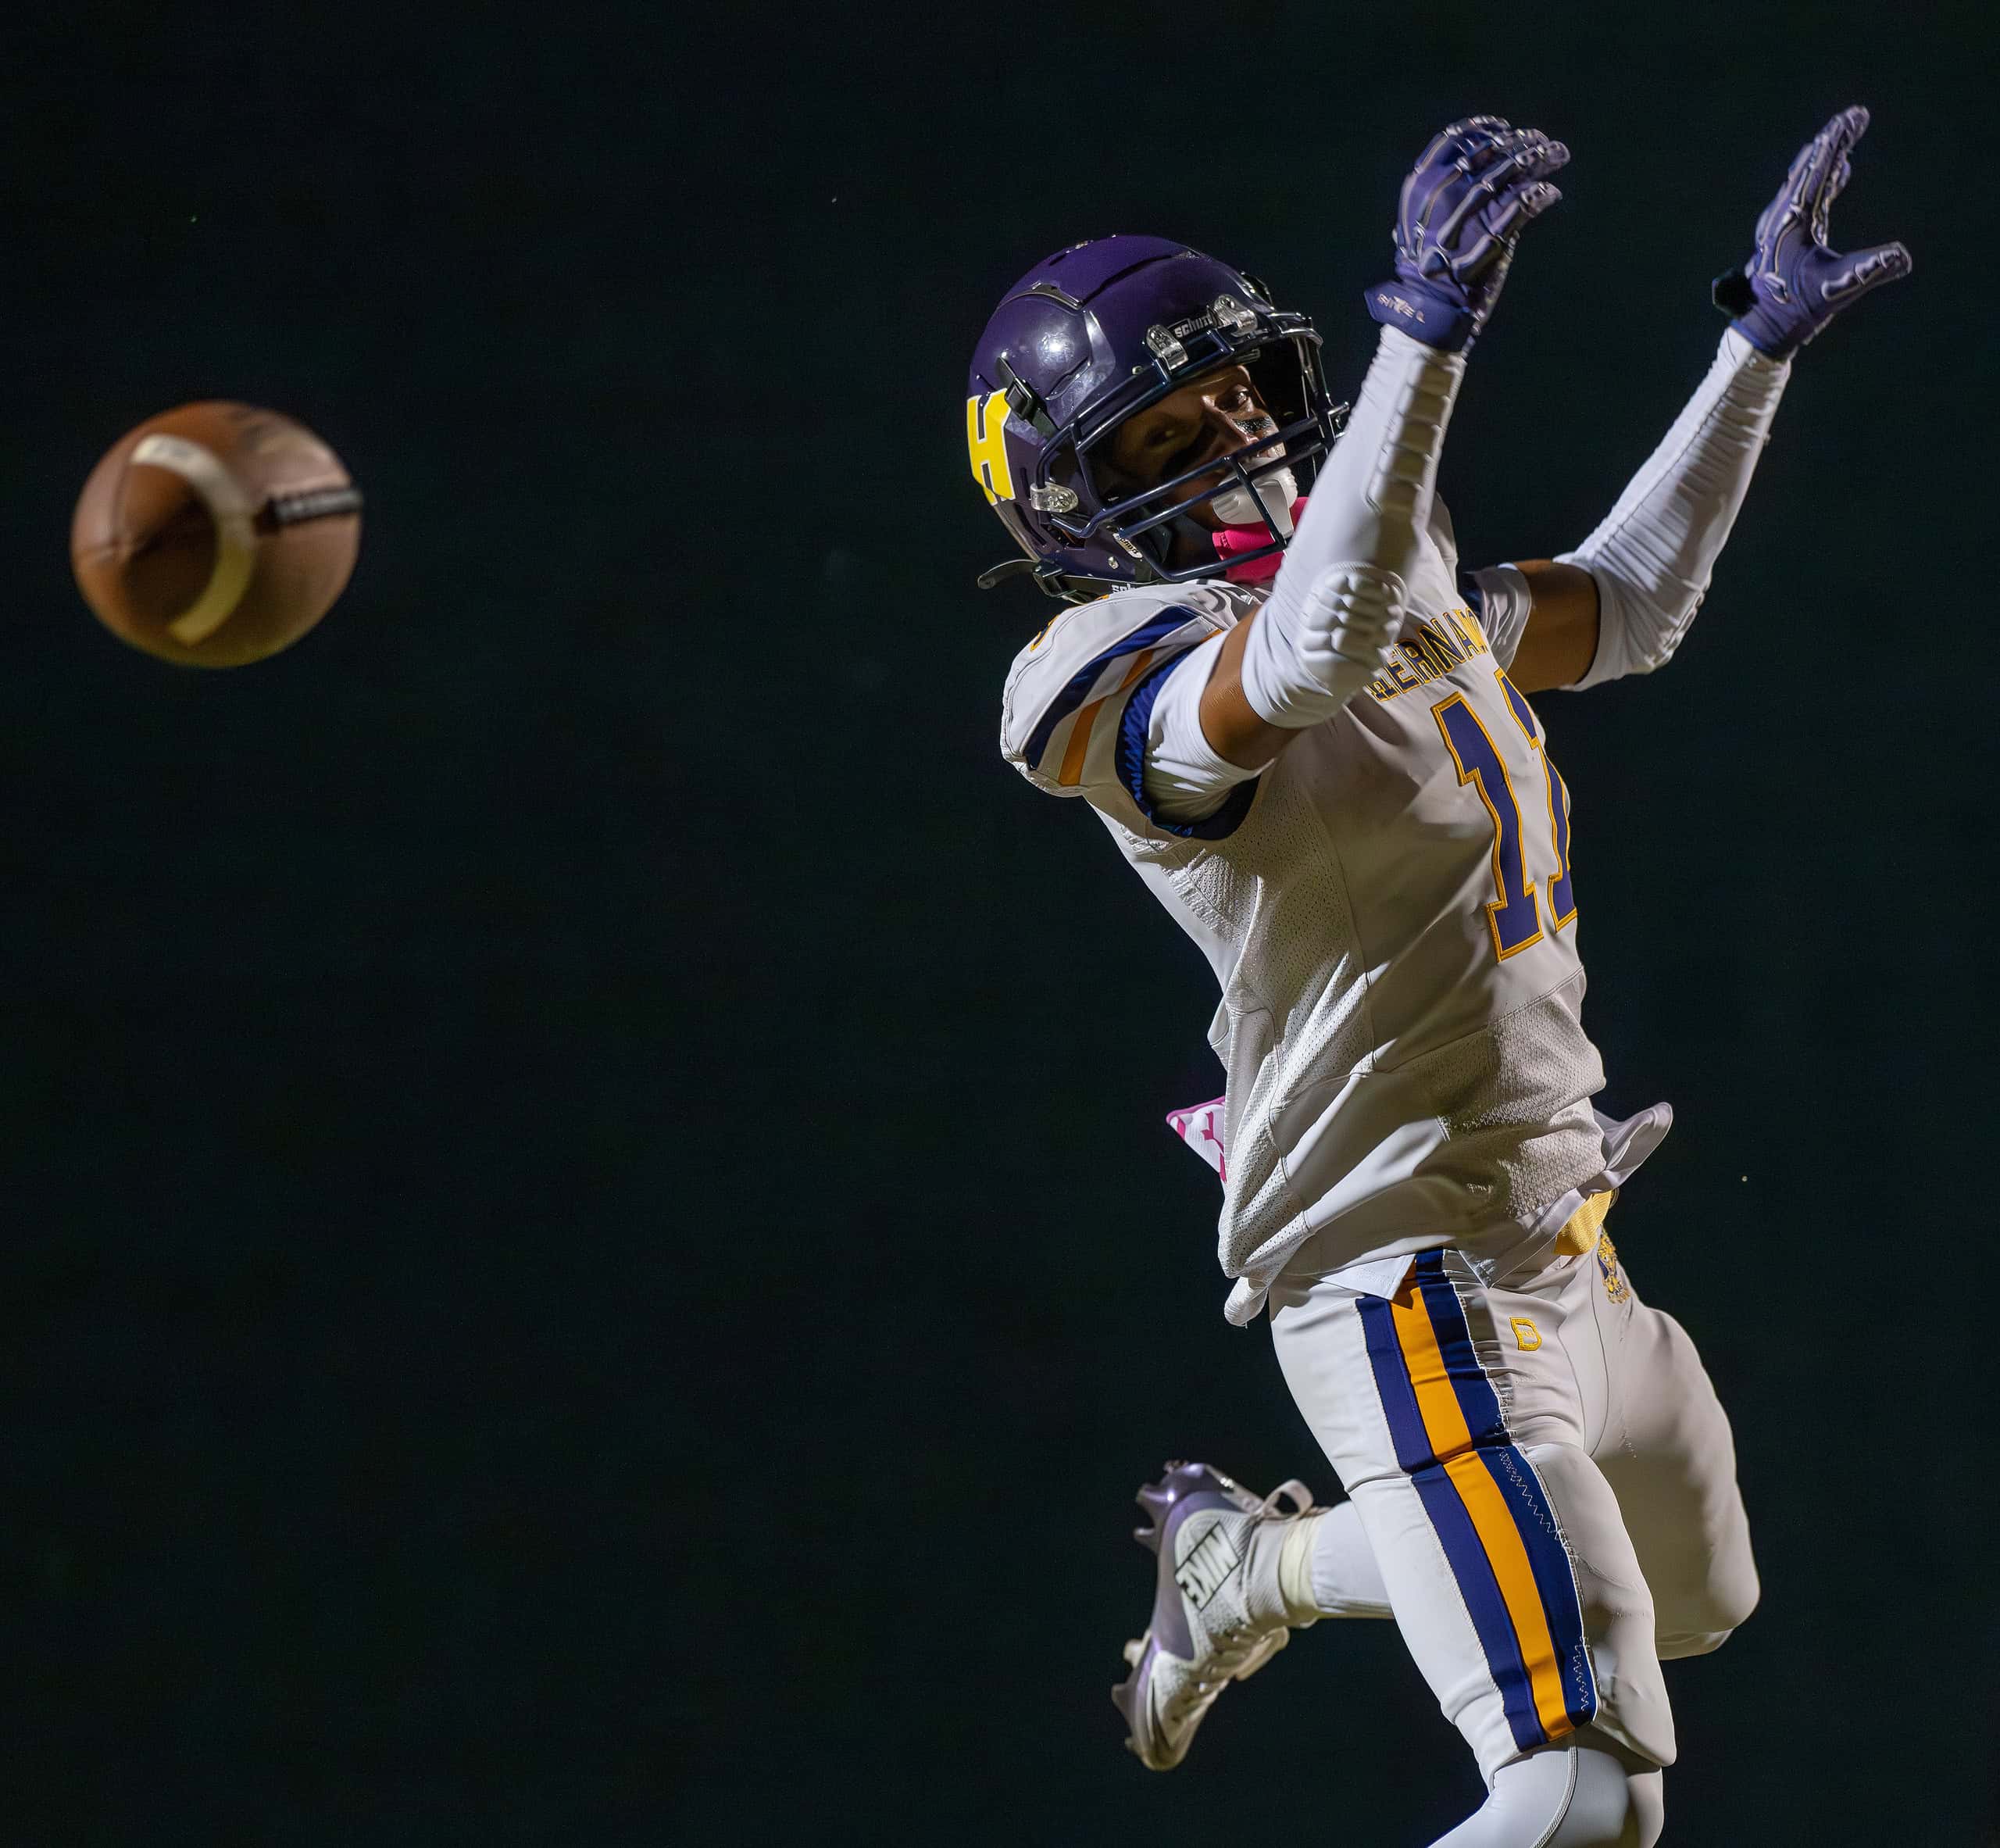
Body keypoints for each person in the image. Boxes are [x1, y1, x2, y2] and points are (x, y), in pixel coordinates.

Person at [969, 112, 1909, 1847]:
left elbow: (1623, 611)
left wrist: (1745, 357)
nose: (1231, 446)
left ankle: (1246, 1571)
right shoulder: (1096, 673)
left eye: (1243, 397)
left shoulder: (1384, 562)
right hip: (1405, 1275)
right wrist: (1424, 333)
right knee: (1573, 1799)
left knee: (1696, 1603)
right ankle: (1252, 1573)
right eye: (1164, 440)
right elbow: (1303, 658)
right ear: (1074, 511)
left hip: (1563, 1235)